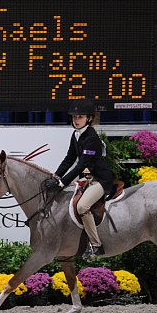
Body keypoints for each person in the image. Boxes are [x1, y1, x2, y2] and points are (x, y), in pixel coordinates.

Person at [43, 99, 114, 259]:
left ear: (89, 118)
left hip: (100, 180)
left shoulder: (92, 138)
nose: (76, 120)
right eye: (74, 117)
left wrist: (62, 182)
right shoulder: (76, 135)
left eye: (80, 117)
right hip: (87, 178)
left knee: (82, 206)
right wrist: (55, 177)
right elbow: (69, 159)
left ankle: (96, 245)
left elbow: (81, 165)